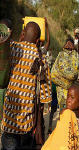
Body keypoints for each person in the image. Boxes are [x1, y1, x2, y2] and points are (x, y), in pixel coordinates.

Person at [1, 21, 52, 150]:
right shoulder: (41, 59)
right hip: (27, 123)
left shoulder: (13, 48)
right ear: (37, 40)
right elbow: (46, 96)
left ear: (23, 34)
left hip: (9, 120)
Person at [42, 84, 79, 150]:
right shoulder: (67, 114)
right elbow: (63, 139)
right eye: (68, 96)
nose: (68, 100)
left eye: (72, 98)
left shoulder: (69, 114)